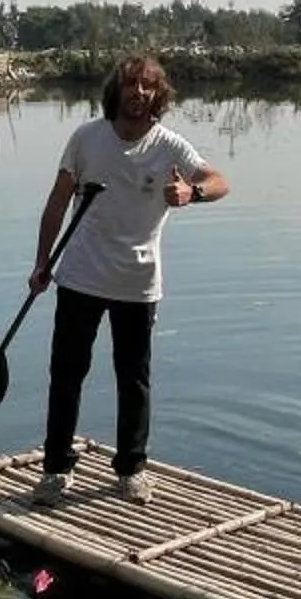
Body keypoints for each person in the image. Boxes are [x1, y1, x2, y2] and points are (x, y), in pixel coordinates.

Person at [30, 54, 229, 507]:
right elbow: (57, 202)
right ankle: (56, 469)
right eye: (131, 85)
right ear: (116, 91)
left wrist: (191, 193)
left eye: (147, 87)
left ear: (159, 95)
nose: (138, 94)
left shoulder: (170, 146)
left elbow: (220, 181)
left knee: (133, 378)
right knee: (66, 375)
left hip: (138, 283)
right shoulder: (86, 139)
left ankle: (131, 470)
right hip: (80, 275)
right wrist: (42, 263)